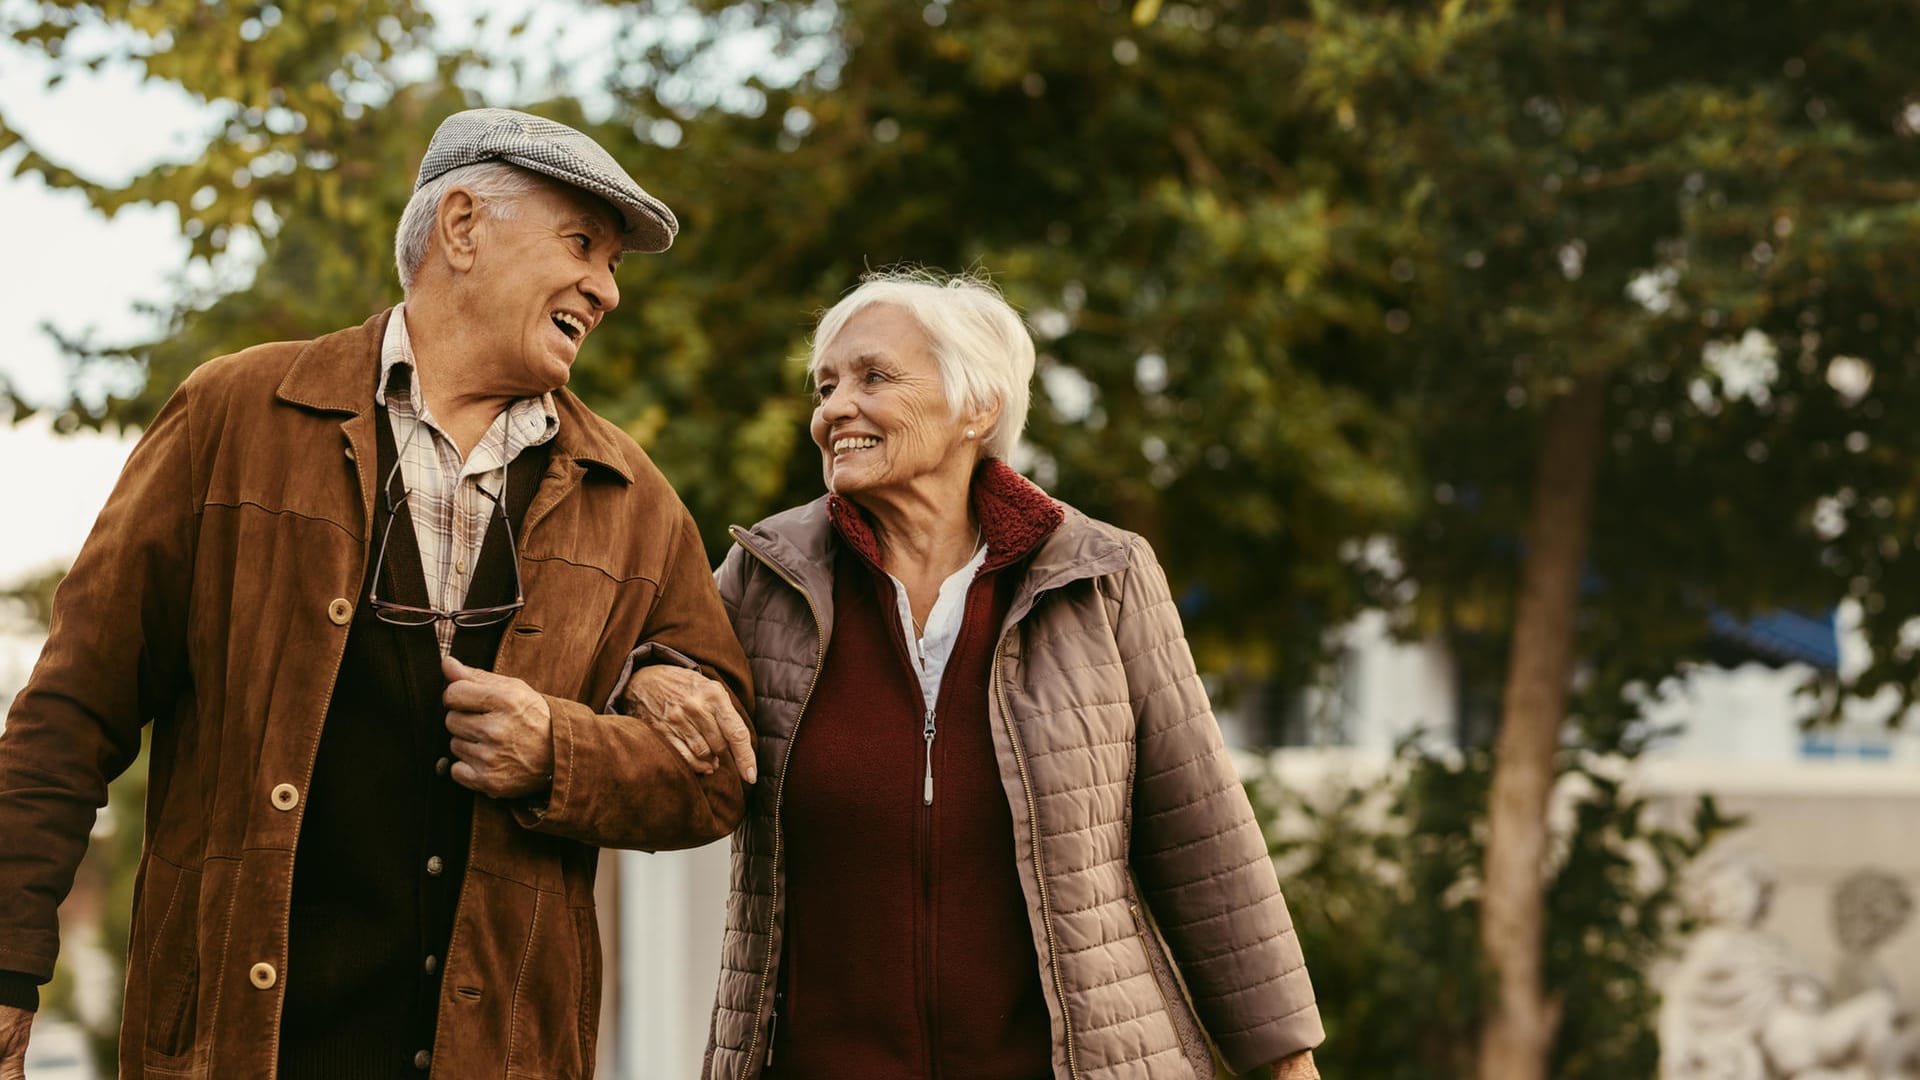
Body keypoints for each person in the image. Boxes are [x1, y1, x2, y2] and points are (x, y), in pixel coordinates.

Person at [0, 108, 757, 1080]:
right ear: (462, 226)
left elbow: (716, 780)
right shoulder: (234, 415)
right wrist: (10, 968)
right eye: (582, 246)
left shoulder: (634, 501)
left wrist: (559, 753)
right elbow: (70, 709)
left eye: (613, 264)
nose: (606, 290)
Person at [692, 269, 1324, 1079]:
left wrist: (1284, 1062)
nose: (833, 410)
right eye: (826, 385)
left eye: (874, 376)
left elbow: (1200, 833)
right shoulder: (764, 578)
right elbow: (658, 697)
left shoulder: (1101, 576)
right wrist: (643, 686)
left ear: (977, 408)